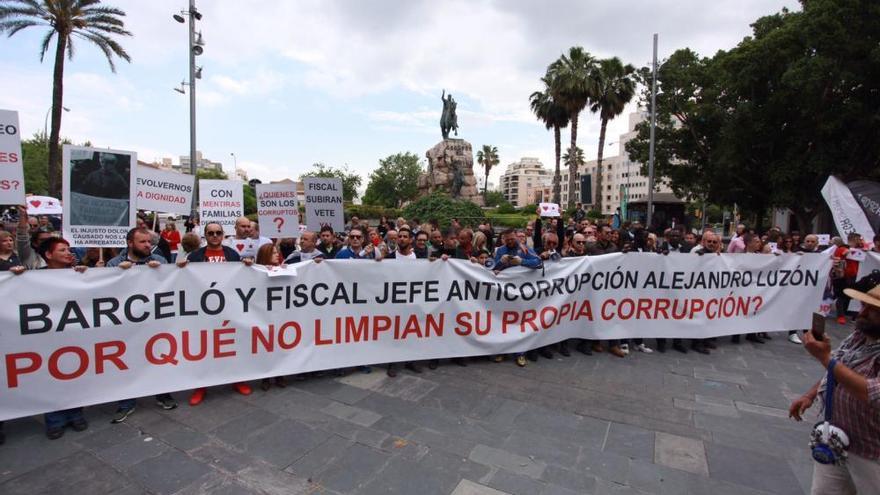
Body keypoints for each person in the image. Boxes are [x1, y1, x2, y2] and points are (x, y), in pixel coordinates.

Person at [789, 280, 880, 494]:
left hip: (871, 451)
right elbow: (838, 369)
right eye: (863, 305)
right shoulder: (859, 337)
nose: (862, 312)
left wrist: (825, 358)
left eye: (872, 310)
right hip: (835, 437)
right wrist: (810, 395)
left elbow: (872, 393)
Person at [106, 227, 178, 421]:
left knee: (159, 358)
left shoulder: (160, 260)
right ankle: (126, 403)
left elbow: (171, 284)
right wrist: (116, 274)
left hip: (154, 322)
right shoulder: (114, 263)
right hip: (127, 324)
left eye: (149, 242)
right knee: (127, 361)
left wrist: (161, 272)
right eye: (143, 242)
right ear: (130, 243)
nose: (148, 246)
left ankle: (163, 394)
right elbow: (106, 292)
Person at [177, 222, 253, 405]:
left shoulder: (232, 254)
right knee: (205, 349)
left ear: (223, 235)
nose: (215, 236)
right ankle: (201, 386)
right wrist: (179, 268)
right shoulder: (194, 256)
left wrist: (248, 265)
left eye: (218, 232)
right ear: (205, 235)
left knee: (231, 346)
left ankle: (237, 380)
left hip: (228, 309)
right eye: (210, 233)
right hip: (204, 312)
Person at [40, 237, 89, 439]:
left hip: (73, 332)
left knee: (74, 372)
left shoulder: (78, 273)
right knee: (51, 375)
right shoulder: (34, 277)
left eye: (69, 249)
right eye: (62, 250)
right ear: (48, 255)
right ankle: (55, 420)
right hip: (47, 334)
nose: (69, 252)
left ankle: (75, 413)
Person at [491, 229, 542, 367]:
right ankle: (502, 351)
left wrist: (521, 261)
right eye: (507, 240)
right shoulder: (500, 251)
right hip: (505, 292)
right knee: (503, 322)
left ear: (516, 237)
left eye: (512, 239)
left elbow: (538, 262)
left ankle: (520, 353)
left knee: (520, 321)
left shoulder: (525, 249)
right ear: (503, 240)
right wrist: (500, 263)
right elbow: (492, 270)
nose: (510, 242)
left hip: (521, 291)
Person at [255, 243, 289, 390]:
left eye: (277, 252)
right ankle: (266, 377)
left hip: (280, 315)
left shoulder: (284, 268)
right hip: (263, 314)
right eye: (273, 253)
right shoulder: (257, 271)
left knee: (279, 344)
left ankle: (279, 375)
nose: (277, 255)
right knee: (265, 346)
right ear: (265, 255)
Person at [832, 233, 864, 325]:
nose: (860, 241)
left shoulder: (859, 250)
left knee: (848, 296)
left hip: (853, 276)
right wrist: (847, 252)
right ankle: (840, 315)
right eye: (859, 239)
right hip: (842, 276)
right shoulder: (842, 248)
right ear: (854, 239)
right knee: (841, 296)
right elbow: (839, 256)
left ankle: (843, 313)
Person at [15, 206, 53, 270]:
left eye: (49, 240)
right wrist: (22, 215)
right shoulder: (27, 253)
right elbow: (22, 236)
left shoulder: (57, 254)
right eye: (42, 240)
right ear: (35, 243)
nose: (47, 242)